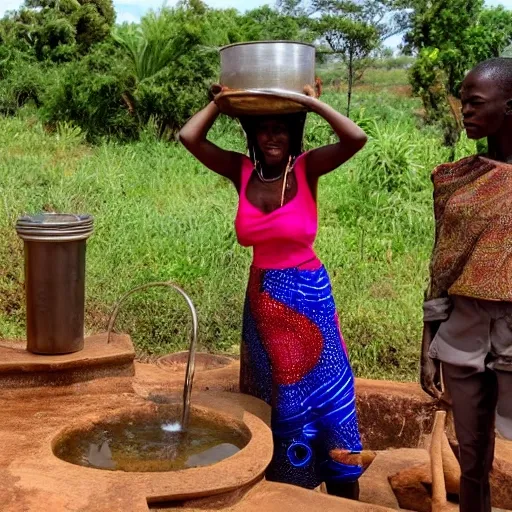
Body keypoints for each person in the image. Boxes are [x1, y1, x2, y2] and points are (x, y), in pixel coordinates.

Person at [179, 88, 367, 498]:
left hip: (309, 298)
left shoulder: (307, 168)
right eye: (263, 129)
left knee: (330, 389)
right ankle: (292, 491)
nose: (272, 137)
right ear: (252, 135)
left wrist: (312, 104)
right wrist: (218, 104)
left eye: (280, 128)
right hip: (264, 300)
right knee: (284, 397)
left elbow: (356, 138)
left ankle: (342, 488)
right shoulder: (241, 170)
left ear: (293, 132)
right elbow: (189, 138)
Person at [421, 57, 512, 512]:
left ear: (510, 105)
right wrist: (428, 341)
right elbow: (440, 266)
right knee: (473, 456)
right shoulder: (456, 179)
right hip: (464, 332)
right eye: (464, 102)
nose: (465, 111)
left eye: (475, 103)